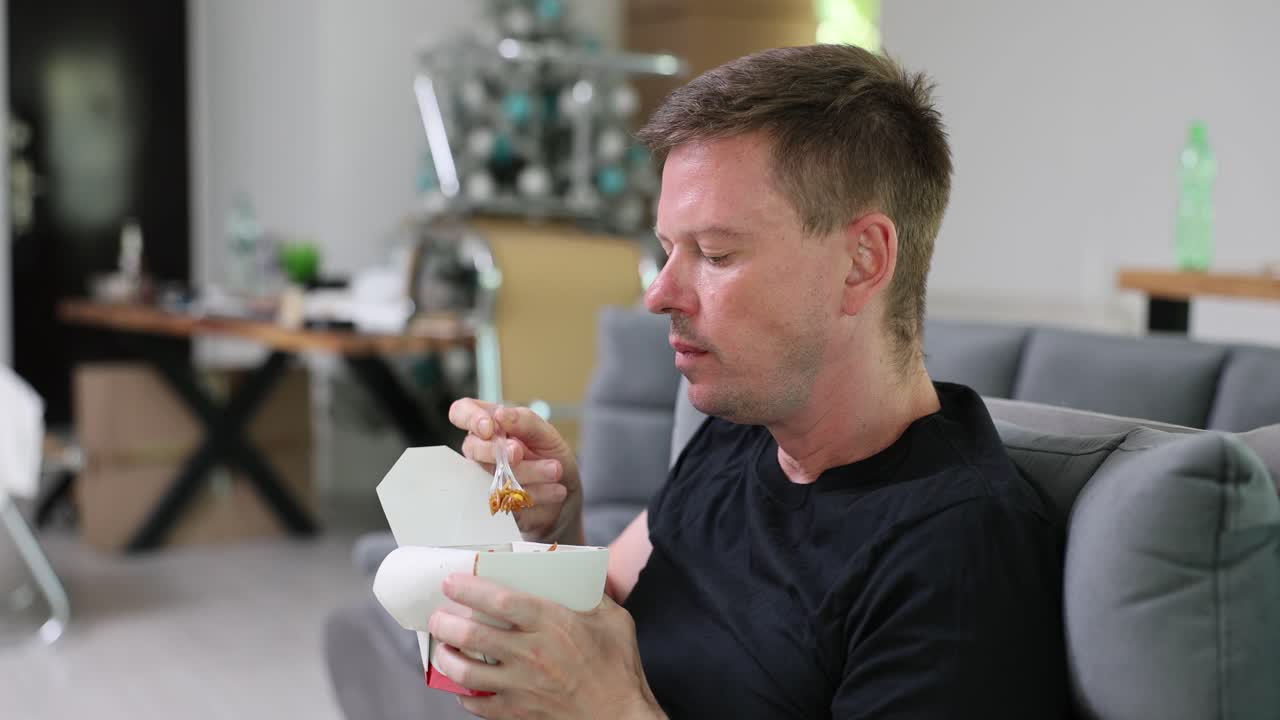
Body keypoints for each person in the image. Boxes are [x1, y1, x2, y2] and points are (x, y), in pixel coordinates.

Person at [432, 44, 1070, 719]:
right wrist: (552, 528)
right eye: (667, 250)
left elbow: (601, 687)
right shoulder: (739, 436)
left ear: (862, 262)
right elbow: (599, 609)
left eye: (715, 254)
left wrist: (611, 710)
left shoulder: (957, 556)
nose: (660, 294)